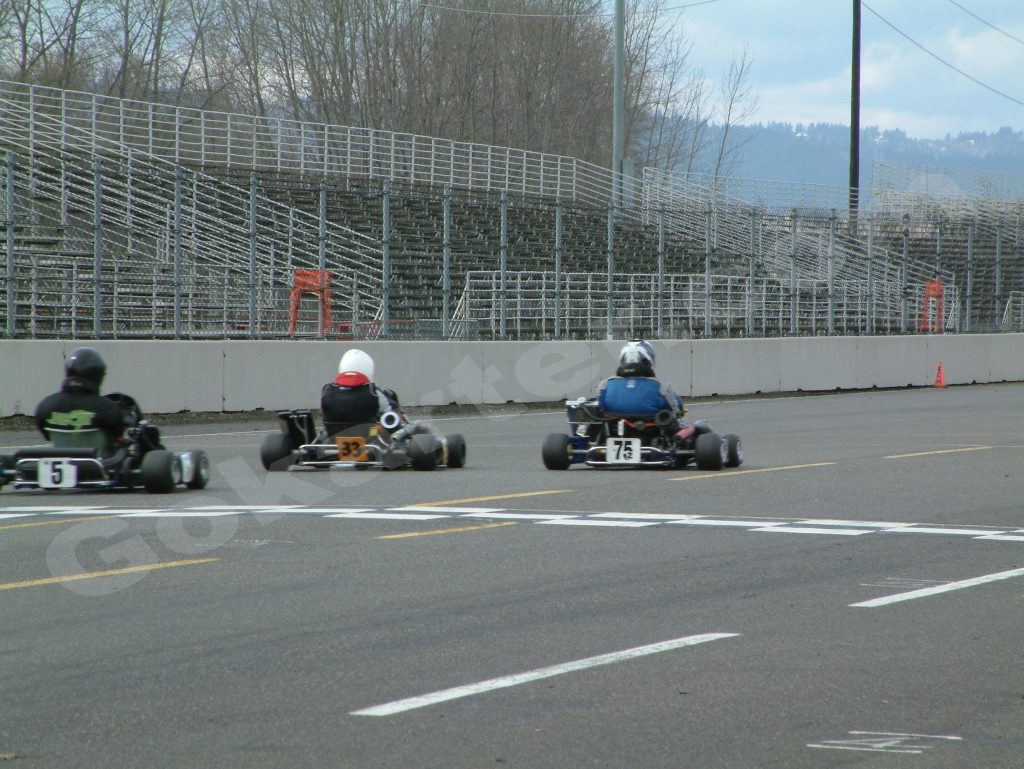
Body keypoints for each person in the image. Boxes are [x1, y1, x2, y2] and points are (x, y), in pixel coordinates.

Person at [34, 347, 163, 452]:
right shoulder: (108, 409)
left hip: (58, 461)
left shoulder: (46, 407)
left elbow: (47, 436)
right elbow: (117, 437)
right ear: (98, 374)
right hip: (98, 464)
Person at [320, 349, 401, 434]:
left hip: (335, 438)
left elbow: (324, 413)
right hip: (369, 436)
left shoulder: (327, 392)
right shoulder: (373, 393)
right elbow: (392, 415)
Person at [595, 340, 683, 417]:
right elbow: (677, 407)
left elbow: (596, 404)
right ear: (648, 360)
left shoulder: (605, 386)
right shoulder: (661, 388)